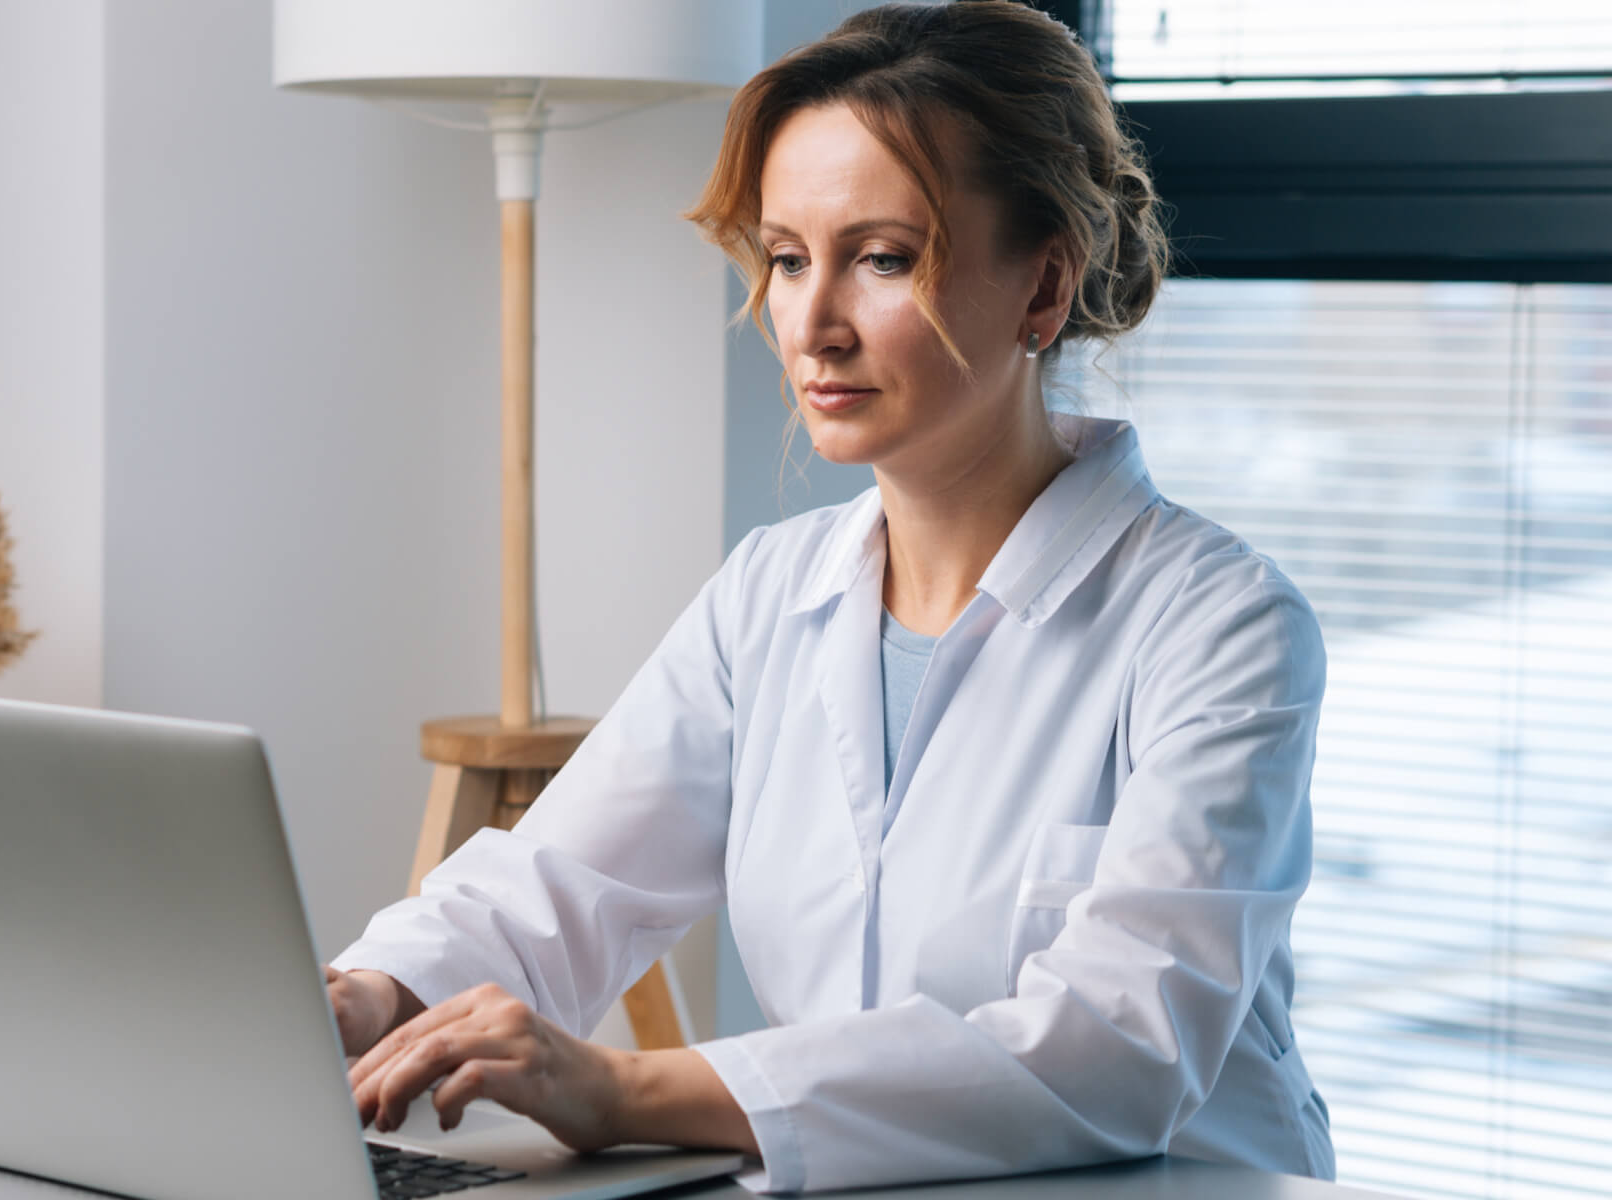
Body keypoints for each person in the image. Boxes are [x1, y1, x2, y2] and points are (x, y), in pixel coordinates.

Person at [323, 2, 1334, 1193]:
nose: (810, 323)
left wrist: (624, 1089)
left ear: (1044, 287)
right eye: (788, 258)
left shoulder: (1222, 628)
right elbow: (557, 887)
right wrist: (359, 999)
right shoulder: (770, 594)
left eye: (884, 258)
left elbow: (1116, 1050)